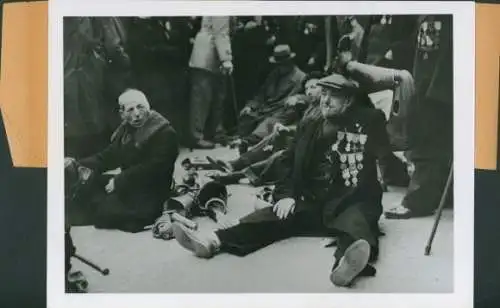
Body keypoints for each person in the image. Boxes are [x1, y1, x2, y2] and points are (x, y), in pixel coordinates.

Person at [172, 73, 392, 288]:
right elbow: (288, 160)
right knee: (272, 216)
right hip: (315, 200)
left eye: (333, 96)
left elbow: (386, 155)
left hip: (352, 199)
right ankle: (213, 240)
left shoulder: (369, 120)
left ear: (349, 100)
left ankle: (347, 266)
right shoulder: (311, 122)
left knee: (357, 224)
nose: (325, 100)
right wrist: (286, 195)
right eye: (323, 93)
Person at [65, 89, 179, 232]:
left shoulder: (164, 133)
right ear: (122, 114)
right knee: (90, 182)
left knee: (103, 212)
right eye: (130, 110)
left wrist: (119, 180)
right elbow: (108, 157)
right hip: (132, 183)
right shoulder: (126, 130)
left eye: (141, 107)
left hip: (152, 191)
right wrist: (77, 164)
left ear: (148, 107)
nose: (137, 113)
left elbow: (154, 168)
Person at [383, 15, 453, 219]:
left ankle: (418, 200)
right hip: (427, 83)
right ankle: (441, 195)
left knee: (428, 145)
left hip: (437, 88)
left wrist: (437, 92)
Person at [236, 44, 306, 145]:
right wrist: (250, 106)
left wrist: (297, 98)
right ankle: (243, 138)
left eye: (283, 64)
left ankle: (250, 140)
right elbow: (261, 94)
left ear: (290, 62)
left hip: (282, 111)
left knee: (270, 121)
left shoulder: (300, 77)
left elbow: (307, 97)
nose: (279, 67)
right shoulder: (274, 74)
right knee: (246, 115)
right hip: (265, 108)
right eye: (278, 64)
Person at [188, 16, 234, 149]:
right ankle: (196, 136)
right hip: (207, 55)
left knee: (215, 96)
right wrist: (226, 58)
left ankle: (214, 132)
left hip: (210, 54)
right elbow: (221, 33)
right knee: (202, 99)